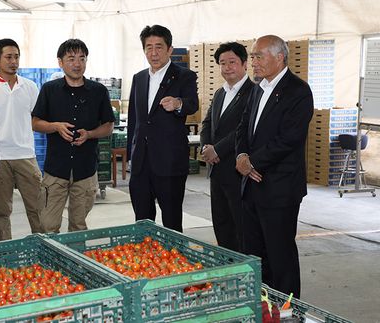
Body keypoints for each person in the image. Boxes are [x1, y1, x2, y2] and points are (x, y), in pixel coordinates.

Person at [235, 35, 314, 297]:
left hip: (279, 188)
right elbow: (243, 127)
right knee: (256, 254)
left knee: (281, 256)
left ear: (279, 57)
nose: (254, 62)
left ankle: (289, 309)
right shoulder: (258, 88)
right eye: (253, 56)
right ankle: (263, 304)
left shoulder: (298, 91)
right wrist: (242, 156)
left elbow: (289, 139)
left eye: (259, 56)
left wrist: (253, 162)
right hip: (252, 185)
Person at [32, 39, 114, 233]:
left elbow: (109, 126)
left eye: (82, 58)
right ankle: (51, 262)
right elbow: (35, 122)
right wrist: (55, 126)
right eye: (71, 59)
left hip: (85, 170)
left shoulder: (98, 91)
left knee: (78, 226)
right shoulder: (49, 90)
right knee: (47, 225)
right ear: (60, 62)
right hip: (56, 170)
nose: (77, 64)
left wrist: (91, 134)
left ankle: (74, 263)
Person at [127, 25, 198, 232]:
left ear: (169, 49)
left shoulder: (184, 76)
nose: (154, 52)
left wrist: (178, 103)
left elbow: (192, 103)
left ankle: (174, 261)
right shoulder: (139, 78)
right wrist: (132, 154)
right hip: (141, 163)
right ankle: (145, 260)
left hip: (170, 162)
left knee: (172, 220)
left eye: (159, 47)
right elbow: (135, 118)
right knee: (142, 219)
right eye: (148, 47)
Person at [0, 38, 43, 241]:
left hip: (26, 155)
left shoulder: (30, 87)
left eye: (16, 57)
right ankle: (5, 256)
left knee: (38, 210)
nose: (13, 61)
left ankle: (44, 250)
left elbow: (38, 119)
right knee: (1, 213)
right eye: (8, 57)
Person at [200, 42, 254, 252]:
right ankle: (226, 264)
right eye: (223, 63)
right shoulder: (221, 93)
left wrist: (218, 149)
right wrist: (206, 147)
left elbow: (244, 128)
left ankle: (243, 269)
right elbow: (207, 123)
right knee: (221, 222)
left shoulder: (253, 93)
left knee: (240, 224)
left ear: (244, 64)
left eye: (232, 62)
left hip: (237, 170)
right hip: (216, 171)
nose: (227, 67)